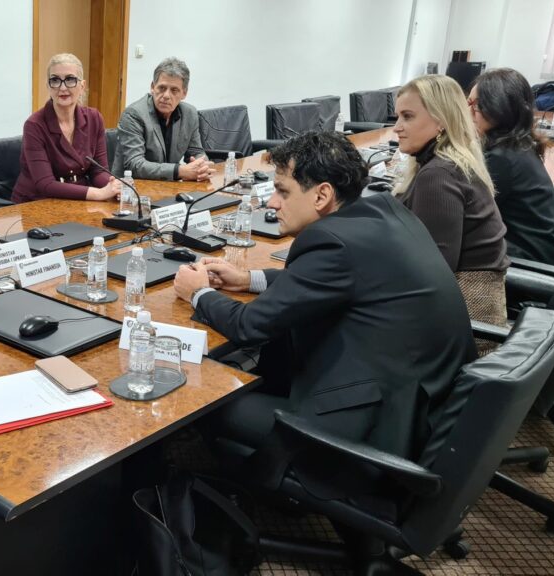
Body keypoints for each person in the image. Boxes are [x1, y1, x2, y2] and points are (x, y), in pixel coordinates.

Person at [172, 132, 475, 499]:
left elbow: (248, 326)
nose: (272, 202)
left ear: (321, 195)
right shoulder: (383, 213)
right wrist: (248, 279)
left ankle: (236, 490)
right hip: (422, 405)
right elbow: (337, 280)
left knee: (208, 398)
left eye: (283, 191)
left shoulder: (331, 242)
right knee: (268, 363)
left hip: (374, 427)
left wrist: (198, 293)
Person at [393, 74, 510, 346]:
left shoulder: (438, 175)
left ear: (441, 120)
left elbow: (434, 271)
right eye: (397, 117)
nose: (397, 127)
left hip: (461, 329)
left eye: (407, 117)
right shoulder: (450, 163)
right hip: (466, 316)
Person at [469, 67, 554, 265]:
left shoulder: (502, 158)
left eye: (475, 106)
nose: (468, 113)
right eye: (467, 104)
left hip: (529, 263)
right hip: (540, 254)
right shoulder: (517, 146)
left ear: (498, 108)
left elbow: (467, 212)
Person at [12, 53, 121, 203]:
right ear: (48, 86)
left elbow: (98, 171)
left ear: (82, 86)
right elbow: (46, 185)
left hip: (77, 201)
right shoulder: (34, 125)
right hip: (37, 202)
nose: (62, 87)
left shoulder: (94, 118)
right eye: (55, 80)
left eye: (70, 79)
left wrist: (113, 187)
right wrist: (99, 194)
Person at [113, 57, 214, 181]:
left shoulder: (189, 114)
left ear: (184, 93)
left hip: (168, 186)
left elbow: (196, 152)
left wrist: (202, 165)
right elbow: (135, 165)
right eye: (162, 88)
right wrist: (180, 171)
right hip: (131, 187)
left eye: (174, 90)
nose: (166, 95)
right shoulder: (134, 114)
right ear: (153, 87)